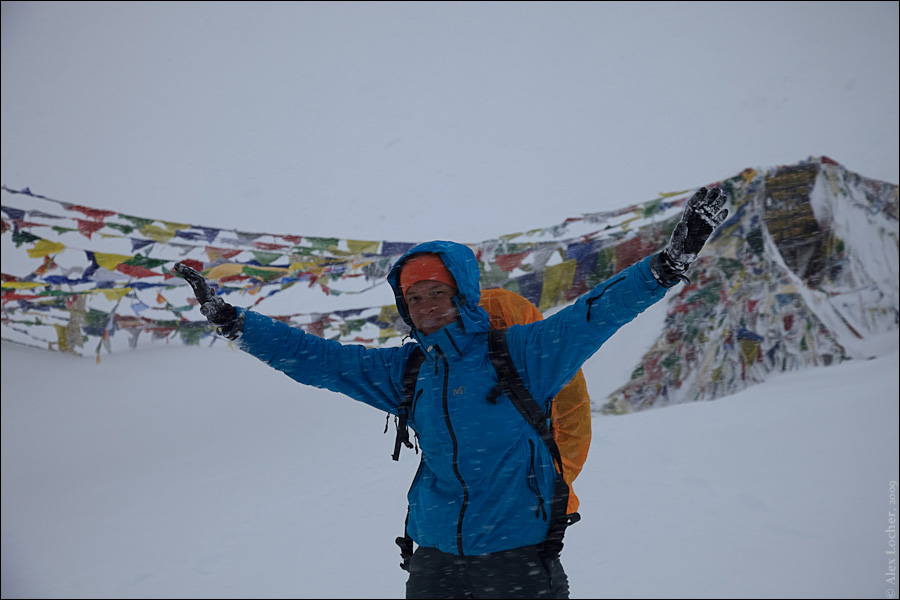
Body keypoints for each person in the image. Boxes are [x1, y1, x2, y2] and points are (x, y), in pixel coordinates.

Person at [175, 187, 728, 599]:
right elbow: (322, 360)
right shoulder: (409, 370)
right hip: (434, 558)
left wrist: (666, 266)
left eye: (435, 292)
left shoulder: (522, 353)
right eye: (413, 299)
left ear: (462, 293)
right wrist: (236, 323)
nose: (425, 306)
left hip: (516, 556)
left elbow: (595, 312)